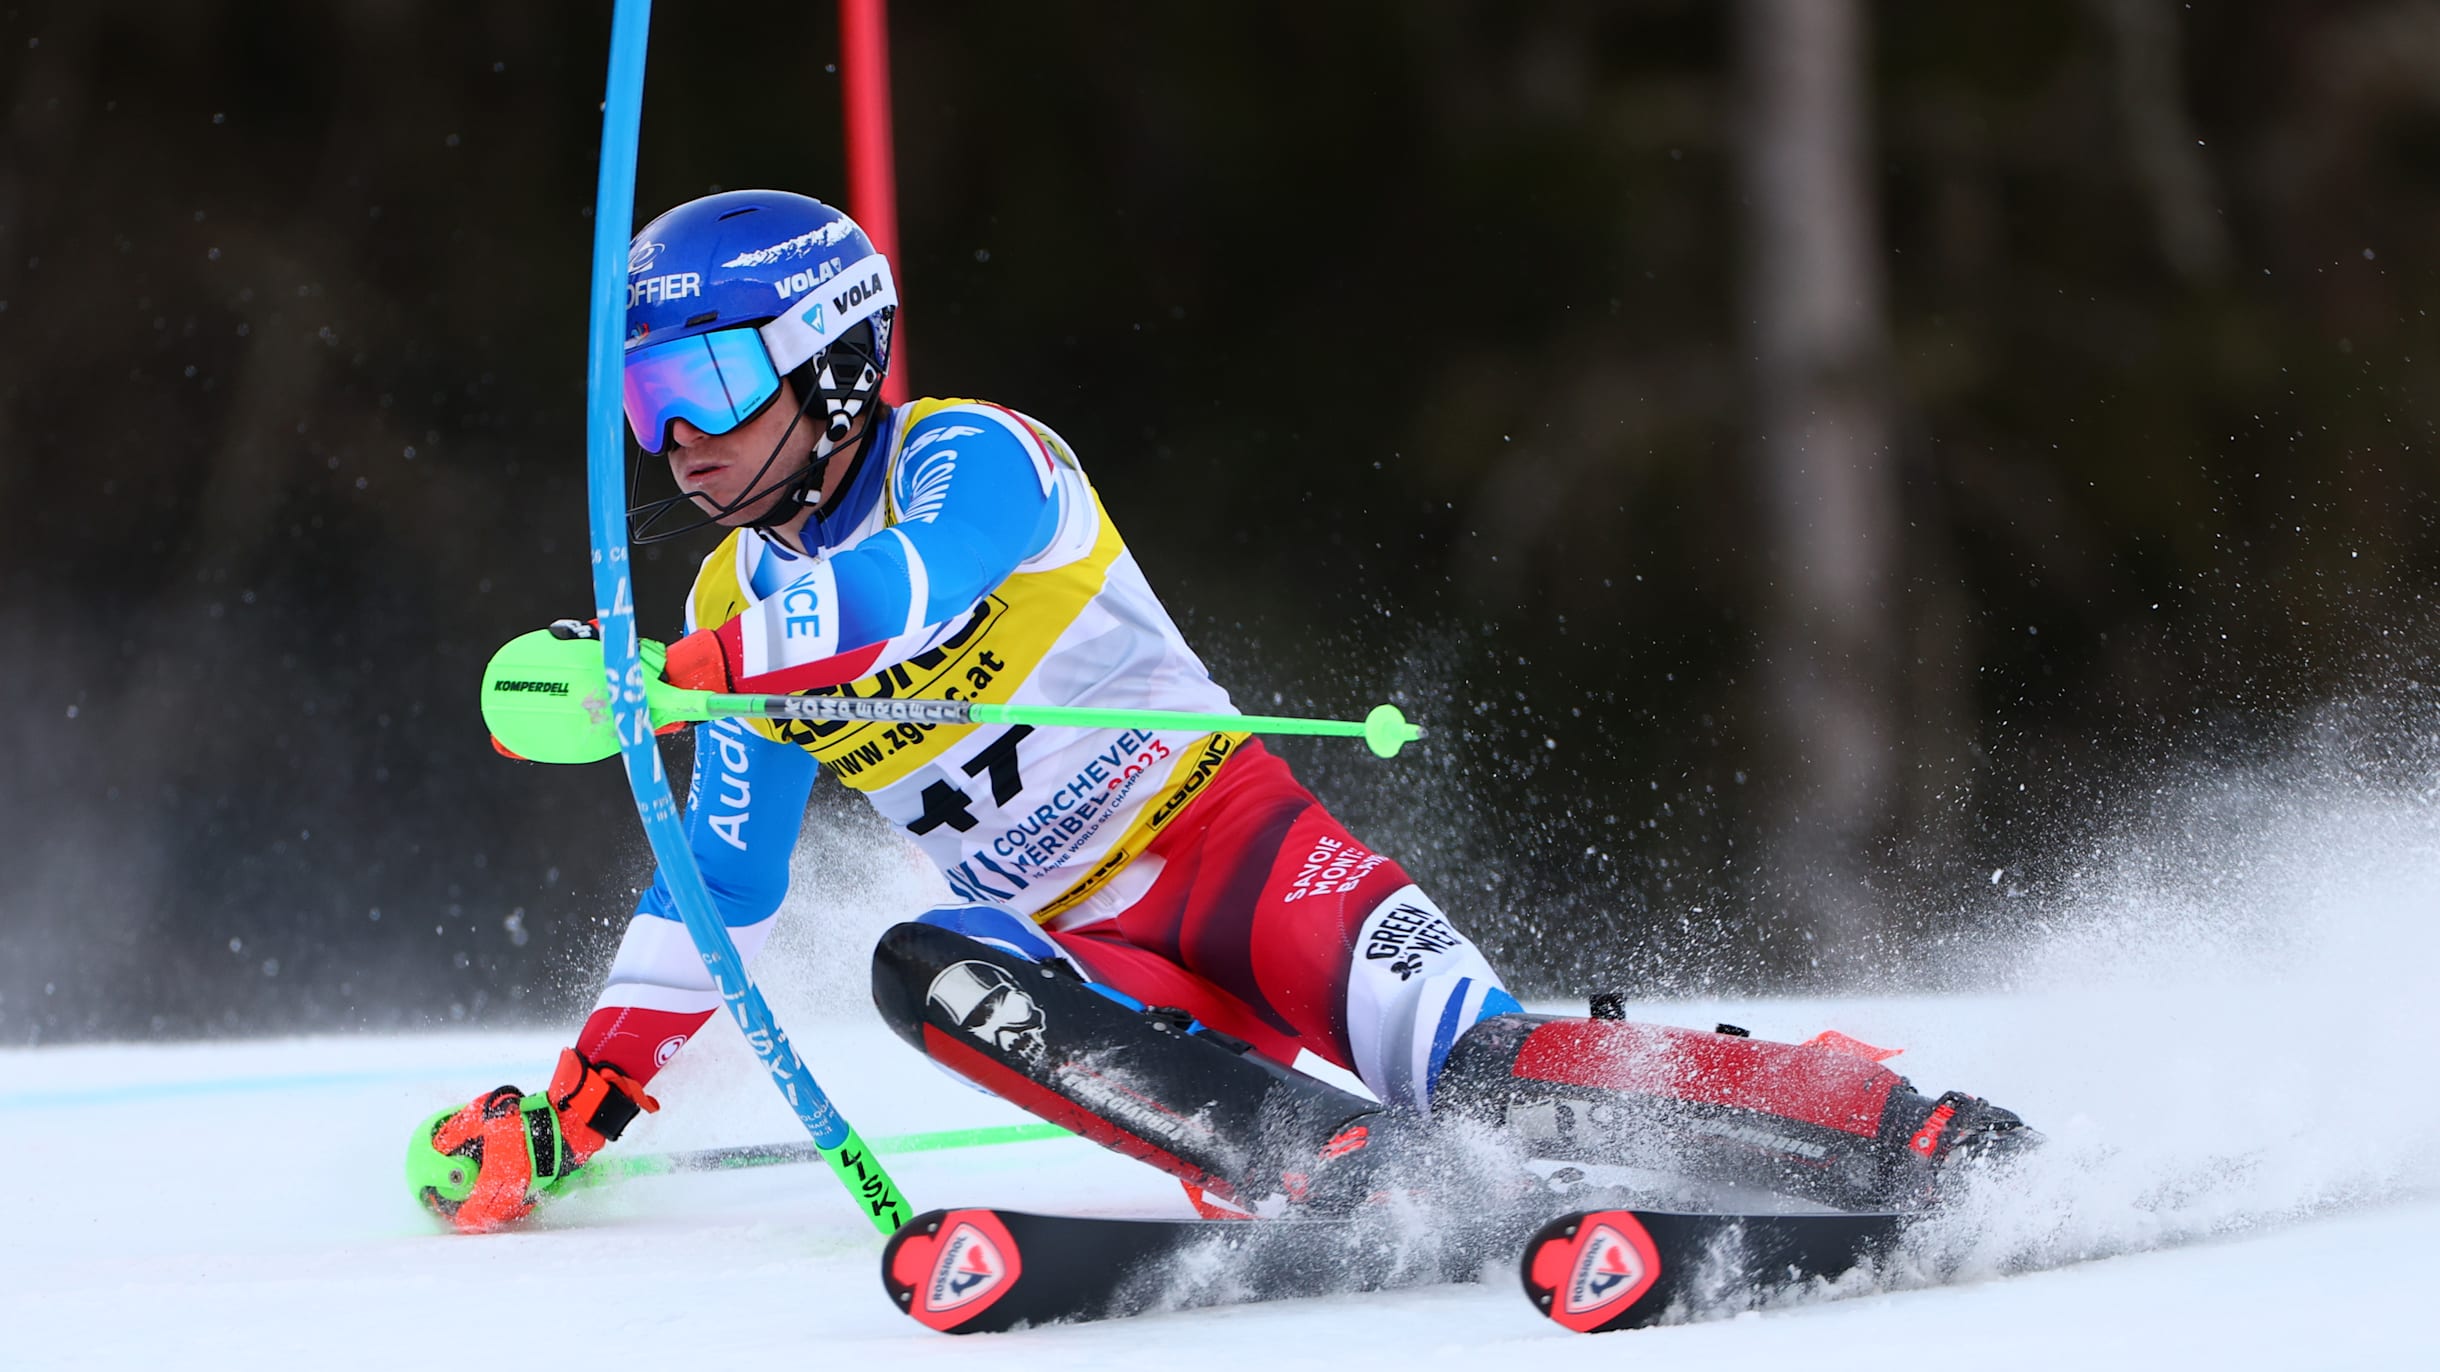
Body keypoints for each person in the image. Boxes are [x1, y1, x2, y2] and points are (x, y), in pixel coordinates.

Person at [409, 190, 2027, 1233]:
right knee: (927, 970)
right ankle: (1317, 1169)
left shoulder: (978, 460)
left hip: (1243, 855)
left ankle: (1901, 1122)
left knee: (1492, 1067)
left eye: (698, 391)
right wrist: (576, 1109)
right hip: (1091, 964)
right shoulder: (718, 608)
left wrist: (691, 676)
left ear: (833, 366)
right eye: (644, 407)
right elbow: (728, 888)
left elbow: (903, 593)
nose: (672, 446)